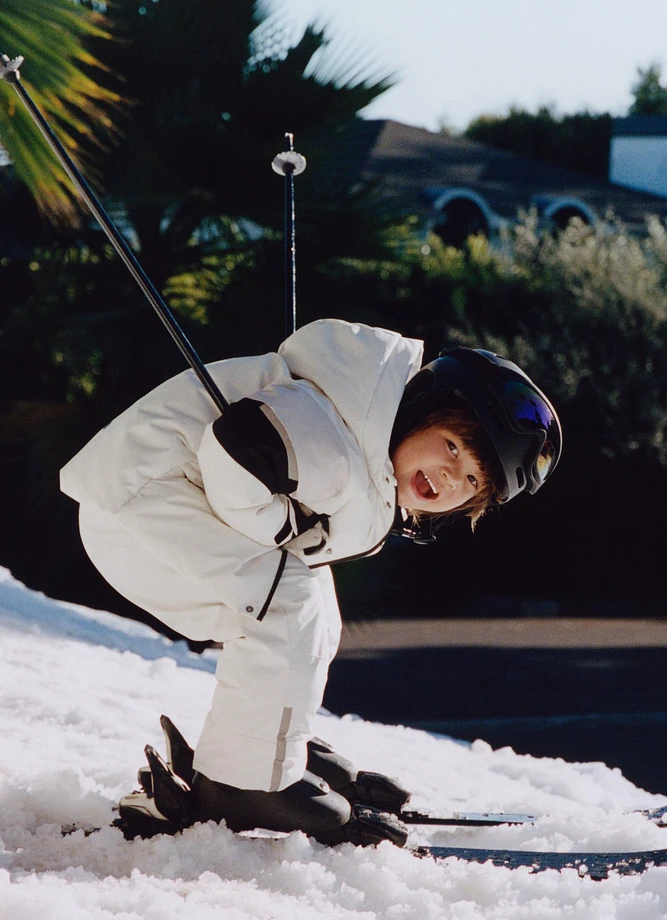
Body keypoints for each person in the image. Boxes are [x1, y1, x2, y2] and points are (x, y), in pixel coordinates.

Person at [60, 318, 561, 844]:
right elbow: (237, 446)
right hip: (140, 502)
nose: (449, 476)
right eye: (453, 446)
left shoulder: (361, 441)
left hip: (152, 504)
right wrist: (283, 527)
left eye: (472, 480)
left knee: (314, 609)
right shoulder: (337, 442)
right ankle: (243, 783)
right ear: (417, 411)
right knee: (288, 603)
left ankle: (272, 743)